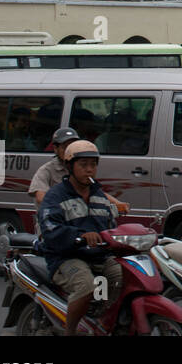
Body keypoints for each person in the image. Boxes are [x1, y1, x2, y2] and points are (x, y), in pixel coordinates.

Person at [38, 141, 124, 335]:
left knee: (125, 275)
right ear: (70, 167)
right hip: (65, 257)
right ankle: (71, 331)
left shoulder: (100, 196)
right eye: (83, 165)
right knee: (86, 285)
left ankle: (104, 321)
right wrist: (80, 236)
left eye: (93, 165)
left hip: (99, 256)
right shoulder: (55, 196)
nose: (89, 170)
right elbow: (50, 229)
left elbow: (111, 227)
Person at [30, 127, 129, 215]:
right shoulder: (46, 170)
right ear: (55, 148)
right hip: (52, 221)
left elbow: (96, 193)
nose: (88, 169)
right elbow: (41, 198)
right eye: (65, 147)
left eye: (73, 146)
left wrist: (117, 204)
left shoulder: (81, 169)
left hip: (77, 218)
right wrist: (69, 207)